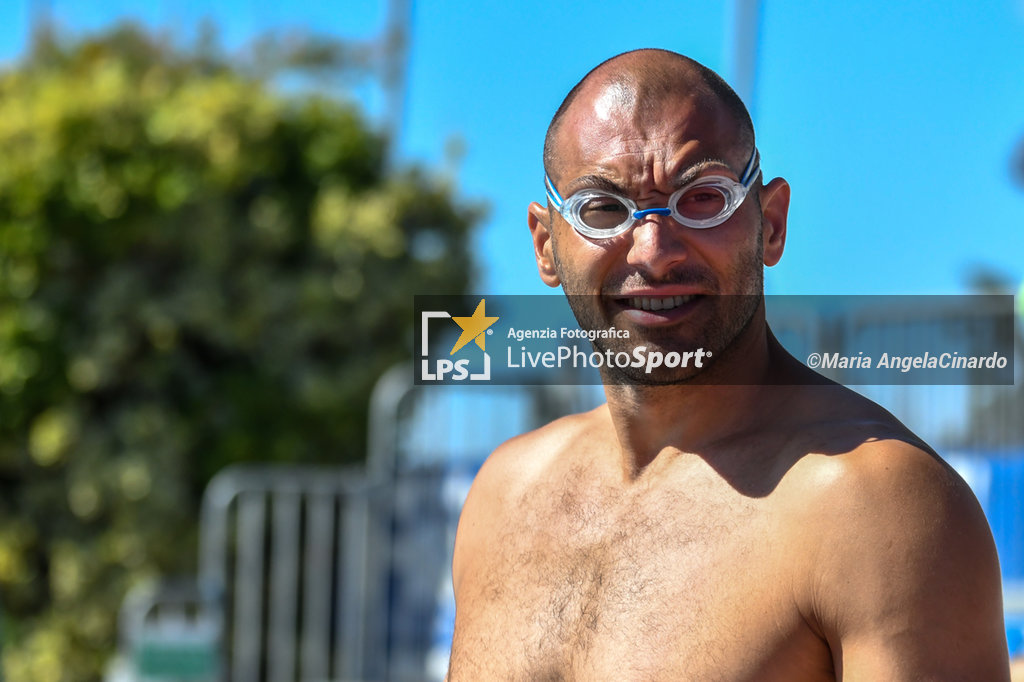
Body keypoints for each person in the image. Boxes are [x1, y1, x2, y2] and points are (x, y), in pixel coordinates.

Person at [446, 49, 1010, 680]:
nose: (654, 253)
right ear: (547, 245)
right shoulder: (504, 496)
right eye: (603, 210)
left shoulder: (872, 505)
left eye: (702, 199)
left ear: (769, 224)